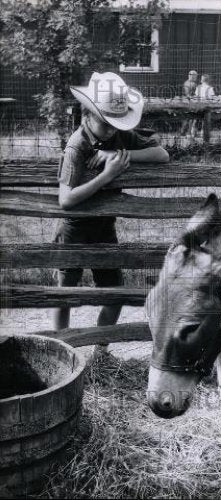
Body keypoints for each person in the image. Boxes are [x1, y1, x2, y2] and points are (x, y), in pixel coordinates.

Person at [53, 71, 169, 350]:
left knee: (114, 292)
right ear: (88, 114)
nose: (112, 130)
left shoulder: (120, 136)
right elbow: (66, 200)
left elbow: (161, 154)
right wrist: (107, 176)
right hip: (75, 228)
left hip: (105, 227)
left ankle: (100, 351)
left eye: (116, 124)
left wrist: (119, 157)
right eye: (106, 124)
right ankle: (62, 347)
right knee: (63, 293)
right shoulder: (76, 145)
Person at [180, 69, 198, 135]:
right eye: (195, 76)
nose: (196, 77)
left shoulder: (192, 83)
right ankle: (185, 132)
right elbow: (187, 94)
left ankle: (187, 132)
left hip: (191, 101)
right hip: (188, 102)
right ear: (191, 76)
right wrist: (194, 97)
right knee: (188, 117)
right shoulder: (187, 83)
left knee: (189, 118)